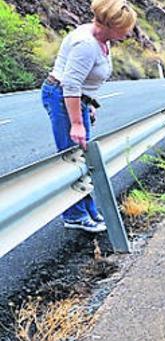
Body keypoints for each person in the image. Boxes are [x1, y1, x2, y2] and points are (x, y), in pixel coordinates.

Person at [42, 0, 137, 233]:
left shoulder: (102, 39)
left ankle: (88, 210)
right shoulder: (86, 44)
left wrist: (88, 103)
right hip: (63, 98)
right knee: (73, 159)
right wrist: (76, 122)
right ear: (110, 25)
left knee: (83, 158)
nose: (128, 32)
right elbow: (71, 84)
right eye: (124, 28)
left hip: (76, 99)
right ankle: (74, 215)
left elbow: (81, 83)